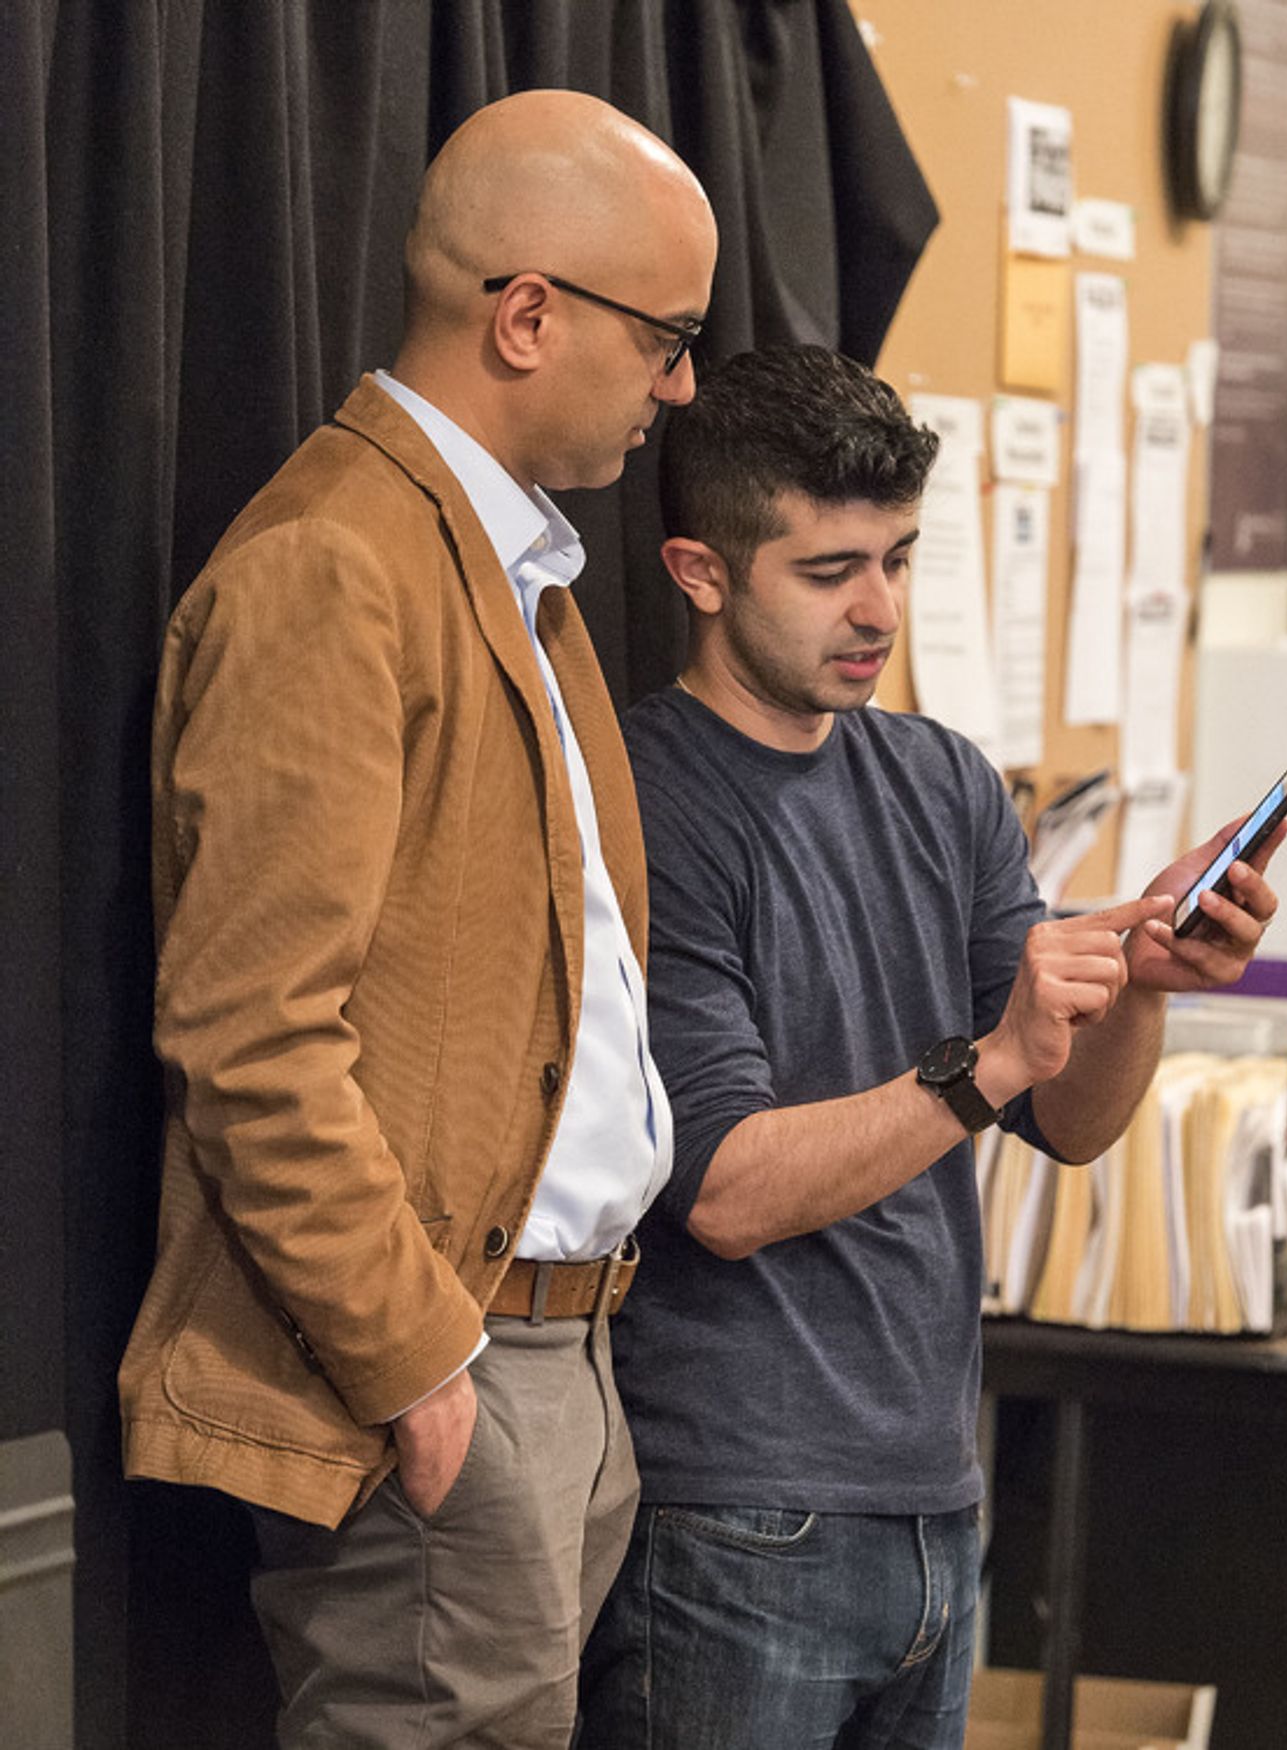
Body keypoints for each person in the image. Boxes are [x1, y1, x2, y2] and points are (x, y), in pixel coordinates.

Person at [118, 90, 717, 1750]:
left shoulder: (511, 567)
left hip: (561, 1358)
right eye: (665, 337)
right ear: (525, 314)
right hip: (448, 1376)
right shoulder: (337, 562)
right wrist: (422, 1375)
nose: (678, 386)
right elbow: (250, 1036)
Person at [577, 345, 1283, 1750]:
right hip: (734, 1511)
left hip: (932, 1494)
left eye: (899, 558)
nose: (879, 608)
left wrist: (1139, 982)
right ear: (703, 572)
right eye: (831, 568)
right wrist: (990, 1058)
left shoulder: (941, 777)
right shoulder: (647, 796)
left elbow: (1070, 1122)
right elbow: (723, 1189)